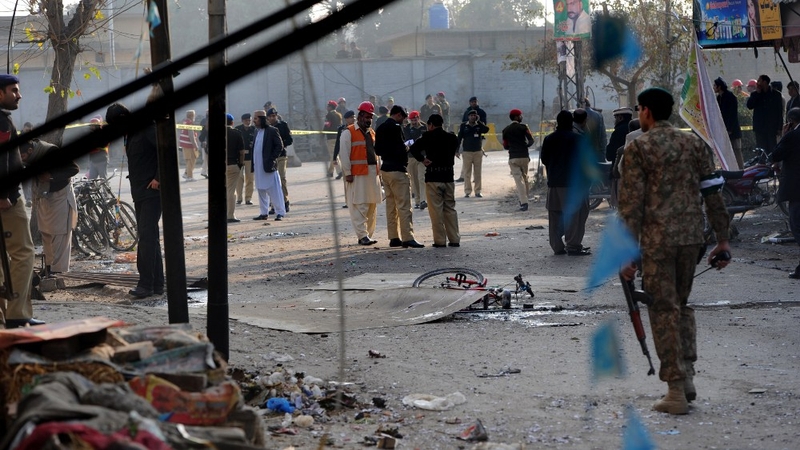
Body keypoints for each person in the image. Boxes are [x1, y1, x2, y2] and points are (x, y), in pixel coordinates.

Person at [618, 88, 731, 415]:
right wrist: (723, 239)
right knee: (680, 304)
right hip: (691, 239)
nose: (639, 114)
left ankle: (675, 391)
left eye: (639, 109)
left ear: (647, 112)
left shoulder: (639, 148)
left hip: (657, 241)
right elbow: (713, 194)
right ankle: (688, 376)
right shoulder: (695, 144)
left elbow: (630, 207)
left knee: (663, 309)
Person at [106, 102, 165, 299]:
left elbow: (164, 153)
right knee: (150, 238)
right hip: (140, 192)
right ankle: (157, 284)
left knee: (146, 238)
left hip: (152, 192)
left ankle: (146, 284)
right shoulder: (131, 134)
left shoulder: (147, 128)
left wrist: (158, 177)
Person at [0, 74, 44, 328]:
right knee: (23, 253)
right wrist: (4, 194)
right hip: (7, 199)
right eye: (14, 90)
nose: (19, 95)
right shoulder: (2, 122)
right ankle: (17, 313)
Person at [22, 139, 79, 276]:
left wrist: (51, 176)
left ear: (30, 151)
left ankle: (57, 270)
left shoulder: (51, 152)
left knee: (59, 234)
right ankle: (49, 267)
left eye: (22, 156)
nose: (21, 159)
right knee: (46, 233)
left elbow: (73, 169)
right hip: (44, 195)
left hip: (60, 194)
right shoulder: (30, 157)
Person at [540, 111, 590, 256]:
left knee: (555, 215)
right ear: (571, 121)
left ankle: (557, 247)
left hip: (554, 183)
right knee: (575, 216)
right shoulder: (578, 139)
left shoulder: (549, 139)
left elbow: (545, 159)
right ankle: (573, 246)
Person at [375, 105, 424, 248]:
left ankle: (394, 237)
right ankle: (408, 237)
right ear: (397, 115)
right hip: (398, 170)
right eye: (403, 117)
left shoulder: (380, 127)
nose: (404, 121)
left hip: (385, 170)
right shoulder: (396, 128)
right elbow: (400, 148)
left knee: (391, 206)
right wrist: (406, 148)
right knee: (404, 206)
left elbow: (377, 149)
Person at [409, 114, 461, 248]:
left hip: (433, 177)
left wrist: (422, 159)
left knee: (436, 211)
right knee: (450, 208)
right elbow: (456, 145)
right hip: (448, 177)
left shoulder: (427, 137)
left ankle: (440, 241)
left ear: (430, 125)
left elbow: (413, 149)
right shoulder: (451, 137)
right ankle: (454, 239)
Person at [340, 102, 381, 245]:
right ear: (360, 116)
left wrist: (379, 173)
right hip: (357, 175)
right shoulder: (348, 132)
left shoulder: (372, 132)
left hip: (372, 174)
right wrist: (347, 172)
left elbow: (377, 155)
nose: (369, 119)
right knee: (359, 205)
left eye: (371, 117)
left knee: (372, 205)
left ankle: (368, 235)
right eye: (367, 116)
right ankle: (362, 235)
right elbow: (343, 154)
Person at [772, 107, 800, 279]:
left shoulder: (792, 136)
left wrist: (783, 135)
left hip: (797, 189)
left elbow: (776, 154)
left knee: (797, 226)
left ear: (790, 121)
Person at [251, 110, 285, 221]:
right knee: (261, 189)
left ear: (261, 119)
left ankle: (280, 212)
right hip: (258, 166)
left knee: (274, 190)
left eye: (255, 118)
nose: (253, 120)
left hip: (268, 166)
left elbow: (279, 146)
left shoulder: (272, 130)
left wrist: (272, 158)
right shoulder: (256, 132)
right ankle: (263, 213)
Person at [502, 109, 534, 211]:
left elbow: (505, 146)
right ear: (516, 117)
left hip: (513, 158)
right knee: (525, 178)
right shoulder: (524, 127)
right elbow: (531, 140)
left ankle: (524, 202)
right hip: (524, 156)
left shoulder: (506, 130)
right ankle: (526, 198)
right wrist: (525, 146)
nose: (521, 117)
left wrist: (512, 147)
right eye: (520, 115)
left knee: (518, 180)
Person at [747, 75, 784, 155]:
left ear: (765, 82)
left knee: (772, 148)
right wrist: (757, 94)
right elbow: (749, 106)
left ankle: (773, 164)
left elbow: (779, 112)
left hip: (771, 127)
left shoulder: (776, 95)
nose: (757, 83)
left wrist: (779, 127)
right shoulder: (755, 94)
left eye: (759, 81)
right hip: (760, 127)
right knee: (761, 148)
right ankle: (762, 164)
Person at [457, 110, 490, 198]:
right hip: (467, 152)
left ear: (476, 116)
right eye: (471, 115)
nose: (472, 117)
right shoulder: (464, 125)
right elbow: (459, 138)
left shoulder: (479, 125)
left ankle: (478, 191)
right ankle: (467, 191)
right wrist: (456, 151)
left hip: (477, 152)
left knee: (477, 173)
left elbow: (486, 130)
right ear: (468, 117)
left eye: (474, 115)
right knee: (467, 173)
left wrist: (479, 121)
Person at [713, 77, 744, 169]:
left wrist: (729, 128)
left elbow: (733, 115)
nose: (713, 87)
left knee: (736, 150)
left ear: (719, 87)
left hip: (732, 130)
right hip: (723, 130)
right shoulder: (719, 98)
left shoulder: (730, 97)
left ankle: (740, 169)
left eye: (715, 85)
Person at [606, 107, 633, 208]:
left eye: (616, 118)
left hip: (620, 173)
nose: (615, 120)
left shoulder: (618, 132)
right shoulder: (637, 131)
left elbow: (609, 155)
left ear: (620, 117)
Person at [267, 108, 293, 213]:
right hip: (270, 157)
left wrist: (281, 145)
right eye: (271, 116)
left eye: (275, 115)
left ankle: (285, 201)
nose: (273, 117)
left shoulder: (283, 125)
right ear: (268, 118)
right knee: (271, 181)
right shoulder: (266, 127)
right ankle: (274, 205)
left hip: (281, 156)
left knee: (282, 179)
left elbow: (290, 140)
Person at [404, 110, 428, 210]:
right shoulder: (407, 129)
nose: (414, 122)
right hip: (411, 157)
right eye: (412, 120)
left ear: (419, 118)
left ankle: (423, 200)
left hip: (422, 156)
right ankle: (417, 201)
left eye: (415, 119)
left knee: (421, 178)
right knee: (414, 180)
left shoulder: (425, 127)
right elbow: (408, 141)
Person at [225, 114, 246, 223]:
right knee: (231, 190)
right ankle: (230, 215)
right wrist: (241, 164)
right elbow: (242, 152)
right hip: (233, 164)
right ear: (232, 123)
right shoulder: (237, 134)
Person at [333, 110, 356, 208]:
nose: (353, 119)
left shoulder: (358, 128)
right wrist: (334, 157)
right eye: (351, 117)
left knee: (356, 180)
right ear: (346, 119)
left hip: (355, 157)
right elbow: (338, 144)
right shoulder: (342, 129)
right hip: (345, 157)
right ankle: (348, 201)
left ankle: (356, 200)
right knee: (346, 180)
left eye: (354, 117)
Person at [235, 113, 256, 205]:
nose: (248, 122)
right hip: (239, 158)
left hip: (250, 158)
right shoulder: (237, 129)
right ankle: (239, 198)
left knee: (250, 178)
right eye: (246, 120)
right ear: (242, 120)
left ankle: (248, 198)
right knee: (239, 178)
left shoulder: (254, 130)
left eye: (249, 120)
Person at [324, 100, 343, 179]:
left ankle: (339, 171)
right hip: (338, 137)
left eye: (328, 106)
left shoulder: (329, 115)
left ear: (330, 107)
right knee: (334, 155)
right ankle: (330, 172)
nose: (327, 107)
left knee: (333, 155)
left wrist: (322, 134)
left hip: (331, 138)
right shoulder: (339, 115)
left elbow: (327, 125)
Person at [178, 109, 200, 181]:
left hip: (184, 144)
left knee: (189, 160)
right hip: (189, 145)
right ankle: (189, 176)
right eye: (194, 114)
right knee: (191, 160)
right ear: (192, 115)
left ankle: (186, 173)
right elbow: (191, 136)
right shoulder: (190, 123)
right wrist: (195, 145)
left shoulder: (185, 122)